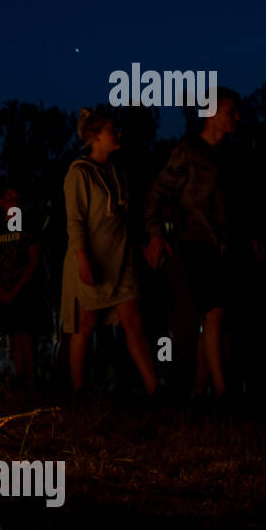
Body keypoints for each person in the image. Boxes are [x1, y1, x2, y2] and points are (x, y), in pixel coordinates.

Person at [144, 88, 243, 406]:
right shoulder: (188, 151)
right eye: (231, 112)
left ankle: (200, 392)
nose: (237, 118)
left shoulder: (228, 155)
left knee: (215, 318)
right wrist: (156, 234)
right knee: (211, 314)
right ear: (212, 115)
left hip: (221, 245)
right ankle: (222, 392)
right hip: (193, 243)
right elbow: (158, 193)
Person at [62, 107, 159, 398]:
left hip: (120, 260)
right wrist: (83, 259)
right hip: (92, 260)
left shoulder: (117, 172)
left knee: (133, 320)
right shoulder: (79, 174)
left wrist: (140, 245)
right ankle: (78, 389)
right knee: (86, 323)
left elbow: (123, 217)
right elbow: (75, 221)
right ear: (94, 136)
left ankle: (154, 388)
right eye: (111, 130)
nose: (118, 134)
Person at [0, 185, 46, 388]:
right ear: (1, 203)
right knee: (12, 333)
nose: (14, 203)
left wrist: (17, 288)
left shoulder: (28, 228)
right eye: (9, 199)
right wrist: (1, 290)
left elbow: (34, 259)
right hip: (4, 291)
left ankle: (30, 376)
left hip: (24, 290)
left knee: (25, 332)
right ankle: (18, 374)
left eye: (17, 199)